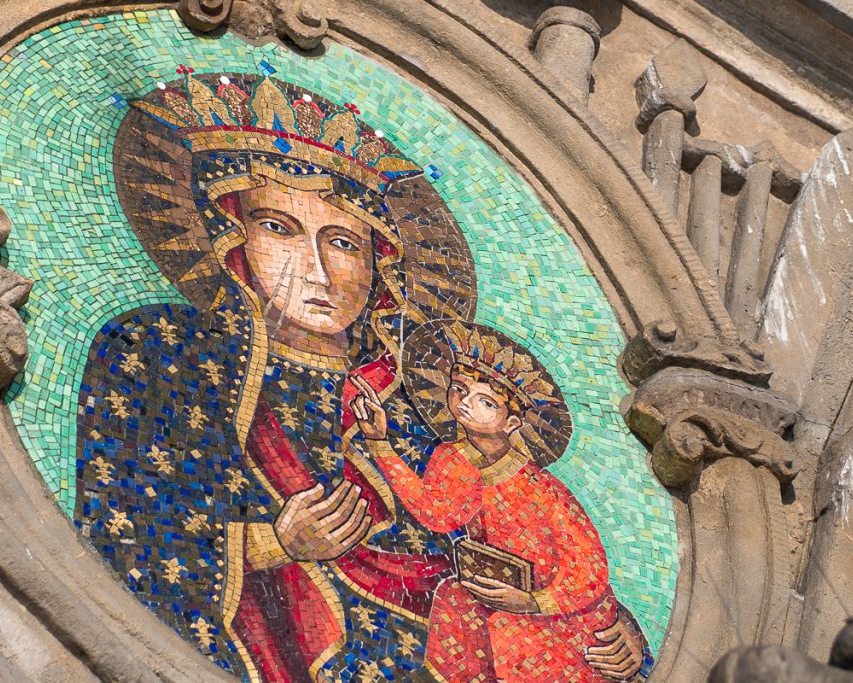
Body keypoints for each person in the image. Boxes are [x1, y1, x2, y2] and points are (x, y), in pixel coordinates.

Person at [74, 69, 645, 682]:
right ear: (231, 239)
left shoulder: (414, 407)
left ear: (381, 265)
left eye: (344, 242)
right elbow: (117, 531)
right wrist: (272, 544)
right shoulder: (161, 352)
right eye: (278, 228)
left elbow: (513, 540)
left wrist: (608, 627)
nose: (316, 270)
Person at [350, 321, 632, 681]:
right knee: (454, 598)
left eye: (485, 401)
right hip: (495, 591)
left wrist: (534, 602)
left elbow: (588, 570)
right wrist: (380, 443)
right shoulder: (454, 458)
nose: (465, 404)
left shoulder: (542, 490)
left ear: (512, 422)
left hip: (563, 610)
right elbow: (438, 513)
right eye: (459, 389)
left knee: (511, 633)